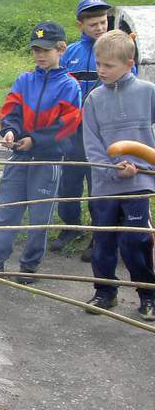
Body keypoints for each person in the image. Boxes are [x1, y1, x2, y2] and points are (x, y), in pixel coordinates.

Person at [0, 22, 80, 283]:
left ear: (61, 49)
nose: (40, 55)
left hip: (48, 159)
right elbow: (10, 111)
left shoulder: (70, 86)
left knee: (39, 216)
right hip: (19, 156)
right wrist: (10, 132)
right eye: (35, 50)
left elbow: (67, 126)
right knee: (6, 210)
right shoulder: (24, 80)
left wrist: (36, 140)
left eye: (45, 49)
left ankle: (29, 267)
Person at [55, 0, 136, 261]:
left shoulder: (116, 51)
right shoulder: (72, 53)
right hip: (74, 128)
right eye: (93, 24)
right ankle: (70, 226)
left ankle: (98, 233)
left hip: (104, 129)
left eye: (103, 22)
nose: (100, 27)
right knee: (70, 178)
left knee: (98, 180)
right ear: (81, 25)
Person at [82, 30, 155, 319]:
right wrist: (112, 171)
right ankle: (104, 293)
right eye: (98, 63)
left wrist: (145, 165)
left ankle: (148, 296)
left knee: (134, 242)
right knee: (103, 243)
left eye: (108, 65)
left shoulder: (148, 92)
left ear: (129, 63)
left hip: (140, 182)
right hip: (104, 185)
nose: (101, 70)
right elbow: (91, 143)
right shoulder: (93, 99)